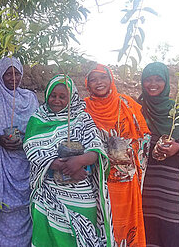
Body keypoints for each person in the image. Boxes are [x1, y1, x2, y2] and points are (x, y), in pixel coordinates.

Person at [23, 74, 115, 247]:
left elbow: (96, 149)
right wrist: (62, 165)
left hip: (81, 192)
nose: (56, 100)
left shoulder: (82, 118)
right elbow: (31, 148)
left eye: (62, 96)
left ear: (71, 97)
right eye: (53, 95)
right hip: (48, 192)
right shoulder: (37, 119)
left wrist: (79, 161)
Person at [84, 64, 150, 246]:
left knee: (126, 227)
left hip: (126, 181)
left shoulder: (127, 104)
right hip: (96, 181)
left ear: (111, 79)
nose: (99, 82)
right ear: (87, 84)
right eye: (93, 79)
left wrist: (129, 150)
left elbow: (144, 137)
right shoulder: (83, 109)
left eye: (103, 77)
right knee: (102, 225)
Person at [0, 56, 38, 246]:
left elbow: (39, 131)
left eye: (17, 73)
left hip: (25, 166)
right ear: (0, 75)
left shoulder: (29, 99)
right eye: (8, 74)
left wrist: (25, 141)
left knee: (27, 210)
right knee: (3, 213)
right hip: (3, 167)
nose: (13, 78)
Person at [140, 62, 179, 247]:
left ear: (166, 82)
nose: (153, 84)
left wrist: (177, 147)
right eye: (148, 80)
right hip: (143, 180)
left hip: (167, 180)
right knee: (144, 224)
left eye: (158, 79)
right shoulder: (137, 108)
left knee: (170, 225)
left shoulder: (177, 111)